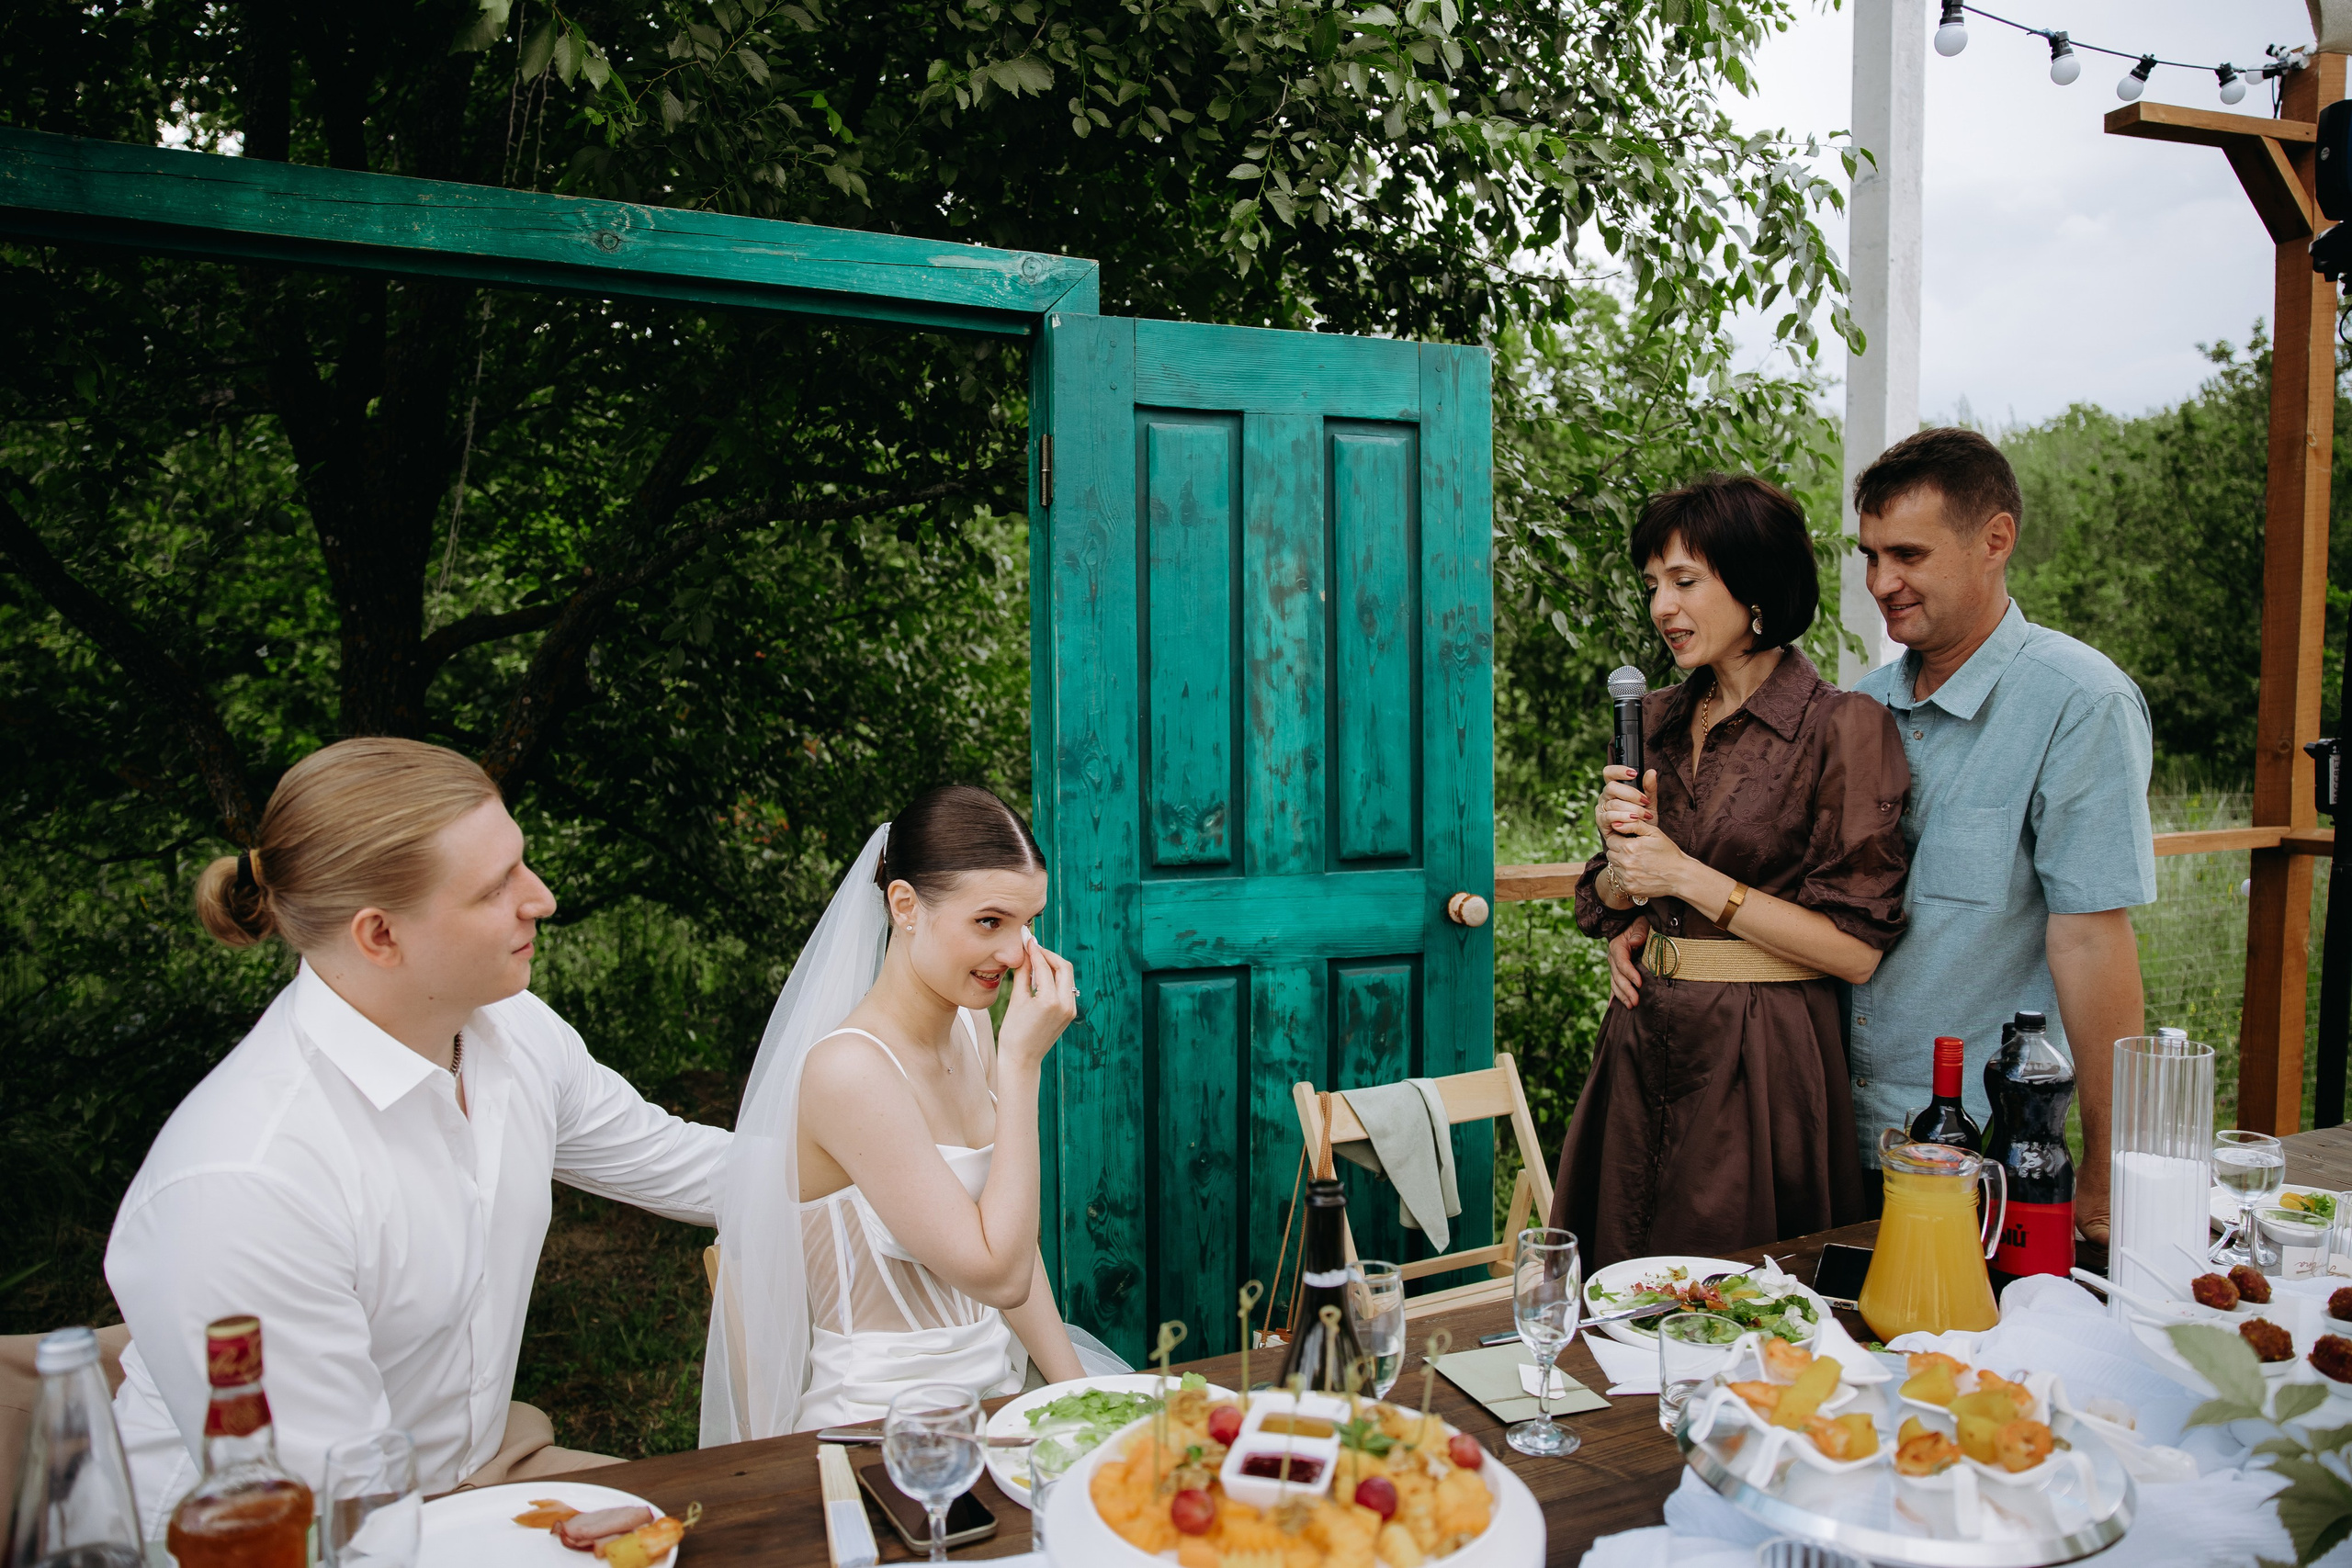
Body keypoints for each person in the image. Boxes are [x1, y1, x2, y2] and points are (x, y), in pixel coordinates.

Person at [104, 738, 731, 1534]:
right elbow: (337, 1517)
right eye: (496, 886)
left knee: (767, 1522)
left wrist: (887, 1153)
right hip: (264, 1538)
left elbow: (692, 1167)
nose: (541, 898)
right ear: (379, 935)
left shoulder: (511, 1029)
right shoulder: (249, 1181)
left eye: (522, 863)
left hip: (467, 1476)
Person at [1551, 475, 1913, 1269]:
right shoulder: (1654, 719)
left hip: (1763, 1056)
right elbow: (1606, 896)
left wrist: (1685, 876)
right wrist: (1624, 875)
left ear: (1755, 587)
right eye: (1653, 584)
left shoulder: (1843, 728)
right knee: (1619, 1288)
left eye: (1685, 581)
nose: (1662, 606)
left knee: (1732, 1297)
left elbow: (1855, 951)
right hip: (1640, 1039)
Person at [700, 784, 1126, 1442]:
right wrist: (1021, 1066)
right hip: (883, 1431)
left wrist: (1079, 1396)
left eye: (1027, 923)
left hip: (996, 1403)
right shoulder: (849, 1072)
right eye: (989, 922)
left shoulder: (970, 1028)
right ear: (905, 906)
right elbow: (1000, 1275)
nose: (1016, 953)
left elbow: (1015, 1243)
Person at [1841, 426, 2153, 1239]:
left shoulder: (2079, 703)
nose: (1882, 582)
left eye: (1908, 554)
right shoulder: (1859, 708)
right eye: (1872, 556)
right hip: (1833, 1131)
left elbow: (2093, 942)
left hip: (1987, 1157)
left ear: (1996, 540)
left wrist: (2106, 1168)